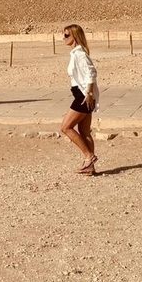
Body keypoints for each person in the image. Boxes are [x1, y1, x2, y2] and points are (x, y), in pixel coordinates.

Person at [61, 25, 99, 175]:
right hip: (84, 94)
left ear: (74, 37)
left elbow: (91, 72)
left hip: (83, 96)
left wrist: (89, 94)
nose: (63, 38)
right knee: (84, 132)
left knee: (66, 127)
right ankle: (90, 167)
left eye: (66, 35)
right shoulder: (77, 53)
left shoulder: (79, 54)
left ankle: (89, 156)